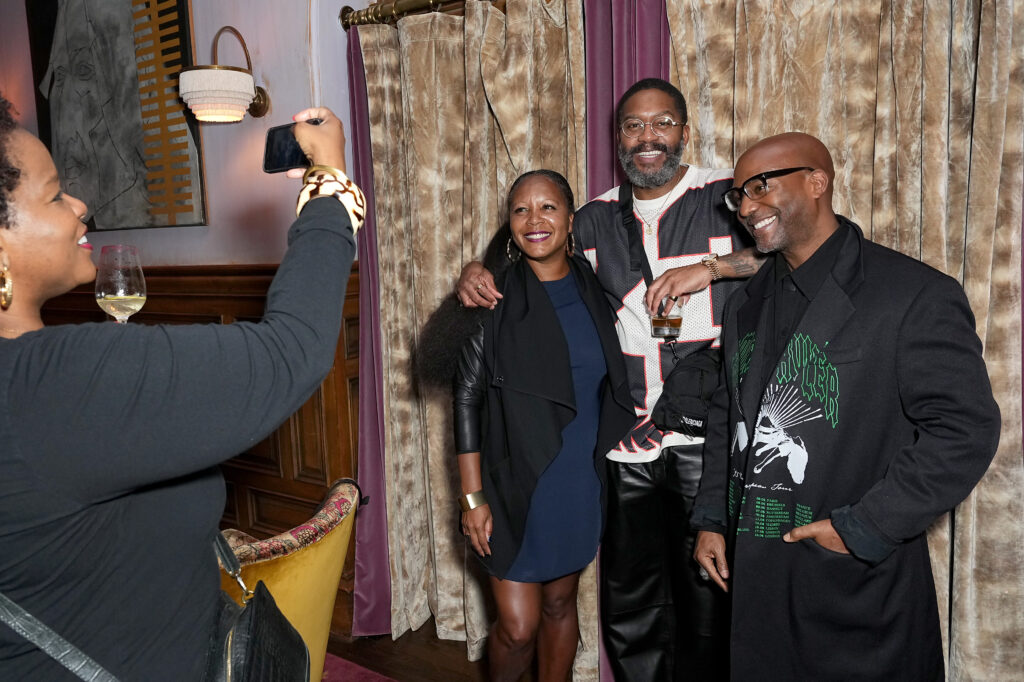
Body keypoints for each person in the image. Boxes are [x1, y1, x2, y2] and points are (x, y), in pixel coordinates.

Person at [0, 95, 361, 680]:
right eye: (54, 193)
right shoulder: (49, 386)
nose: (79, 205)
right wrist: (331, 185)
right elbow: (292, 347)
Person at [459, 79, 762, 681]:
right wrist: (474, 267)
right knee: (630, 606)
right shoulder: (595, 217)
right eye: (632, 126)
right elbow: (529, 245)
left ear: (683, 129)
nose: (648, 137)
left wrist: (714, 268)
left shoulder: (725, 195)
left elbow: (789, 249)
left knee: (708, 602)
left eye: (662, 123)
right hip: (626, 446)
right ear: (616, 136)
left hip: (708, 439)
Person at [691, 132, 1000, 680]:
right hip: (755, 581)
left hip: (855, 590)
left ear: (817, 182)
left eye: (761, 186)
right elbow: (728, 414)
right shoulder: (745, 303)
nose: (746, 206)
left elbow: (964, 430)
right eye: (738, 194)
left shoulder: (913, 294)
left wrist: (861, 529)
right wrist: (714, 517)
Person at [453, 170, 636, 682]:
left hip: (579, 479)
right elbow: (465, 399)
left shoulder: (596, 286)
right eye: (520, 210)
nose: (534, 220)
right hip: (510, 480)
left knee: (560, 605)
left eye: (548, 208)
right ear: (508, 223)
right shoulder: (490, 297)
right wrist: (472, 498)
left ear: (570, 219)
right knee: (516, 626)